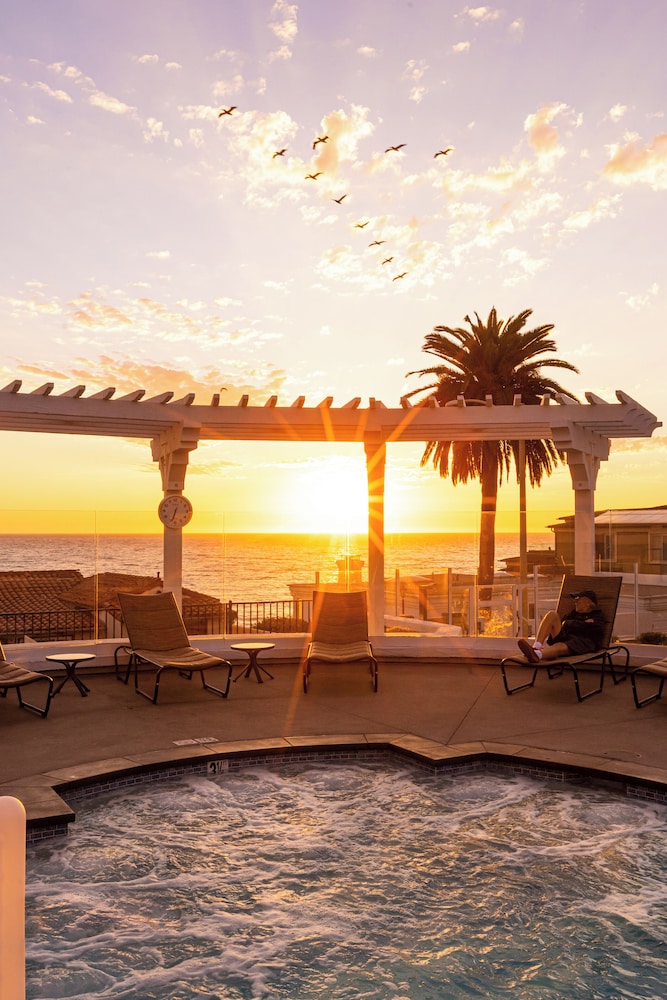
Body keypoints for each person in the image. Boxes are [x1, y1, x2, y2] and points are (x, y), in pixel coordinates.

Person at [517, 590, 606, 663]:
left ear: (588, 602)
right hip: (567, 636)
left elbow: (595, 630)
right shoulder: (573, 614)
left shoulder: (597, 616)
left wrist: (571, 624)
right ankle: (536, 646)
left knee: (559, 646)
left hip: (582, 642)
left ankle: (537, 655)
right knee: (552, 615)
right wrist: (581, 624)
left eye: (578, 598)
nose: (575, 601)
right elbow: (564, 623)